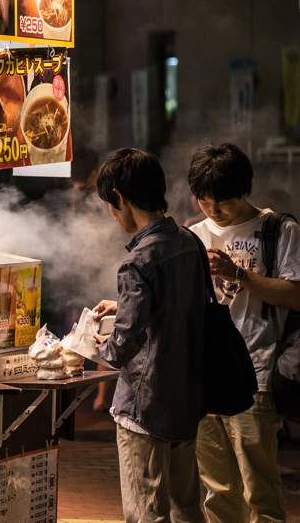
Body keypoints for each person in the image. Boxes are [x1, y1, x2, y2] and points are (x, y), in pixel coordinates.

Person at [91, 148, 207, 523]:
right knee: (187, 508)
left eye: (111, 205)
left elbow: (125, 341)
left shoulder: (136, 262)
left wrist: (93, 349)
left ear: (120, 199)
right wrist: (122, 304)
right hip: (186, 398)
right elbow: (184, 307)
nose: (113, 215)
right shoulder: (191, 242)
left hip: (145, 406)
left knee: (146, 514)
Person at [187, 143, 300, 523]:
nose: (215, 211)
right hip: (205, 373)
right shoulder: (193, 234)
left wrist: (237, 274)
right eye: (205, 202)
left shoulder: (278, 229)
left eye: (223, 202)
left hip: (256, 371)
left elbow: (296, 296)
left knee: (260, 488)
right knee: (217, 490)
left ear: (244, 190)